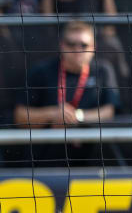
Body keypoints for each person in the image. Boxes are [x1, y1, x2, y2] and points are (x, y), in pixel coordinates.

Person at [13, 20, 120, 167]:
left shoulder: (103, 70)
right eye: (71, 44)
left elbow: (109, 111)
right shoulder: (41, 71)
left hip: (92, 161)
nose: (77, 49)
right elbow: (20, 116)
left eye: (83, 45)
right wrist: (53, 114)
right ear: (62, 45)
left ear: (93, 47)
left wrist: (76, 117)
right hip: (44, 161)